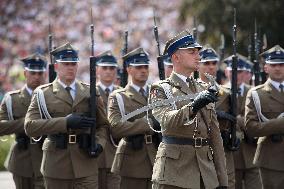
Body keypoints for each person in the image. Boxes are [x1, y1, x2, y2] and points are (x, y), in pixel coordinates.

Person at [150, 30, 228, 189]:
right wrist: (193, 106)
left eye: (198, 52)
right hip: (173, 174)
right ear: (176, 57)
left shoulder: (204, 88)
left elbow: (215, 136)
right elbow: (166, 121)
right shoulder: (160, 89)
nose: (198, 56)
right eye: (192, 52)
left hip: (205, 173)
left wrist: (222, 180)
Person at [24, 42, 108, 189]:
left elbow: (103, 125)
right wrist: (65, 122)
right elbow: (30, 127)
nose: (70, 67)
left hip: (85, 163)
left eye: (73, 64)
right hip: (56, 165)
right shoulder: (43, 93)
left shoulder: (90, 91)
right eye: (66, 64)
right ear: (56, 66)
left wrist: (99, 144)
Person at [108, 47, 159, 189]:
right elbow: (115, 127)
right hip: (131, 160)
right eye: (138, 67)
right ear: (129, 69)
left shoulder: (157, 93)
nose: (143, 70)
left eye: (145, 66)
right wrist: (148, 124)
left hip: (157, 156)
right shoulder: (118, 96)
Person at [0, 53, 47, 189]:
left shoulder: (51, 97)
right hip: (22, 158)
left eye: (40, 73)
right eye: (33, 73)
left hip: (45, 157)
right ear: (25, 73)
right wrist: (28, 124)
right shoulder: (12, 99)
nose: (37, 77)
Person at [245, 45, 284, 189]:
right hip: (271, 160)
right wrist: (279, 124)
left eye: (281, 64)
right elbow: (251, 127)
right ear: (266, 68)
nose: (278, 68)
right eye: (273, 65)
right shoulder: (256, 94)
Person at [198, 46, 236, 189]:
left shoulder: (226, 93)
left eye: (214, 63)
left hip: (223, 150)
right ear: (198, 66)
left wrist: (236, 135)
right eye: (206, 63)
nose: (211, 67)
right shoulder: (190, 92)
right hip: (200, 150)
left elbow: (235, 122)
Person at [223, 54, 262, 189]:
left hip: (252, 154)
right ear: (226, 72)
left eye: (239, 71)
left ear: (245, 73)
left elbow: (258, 120)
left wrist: (239, 120)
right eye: (233, 71)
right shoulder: (220, 93)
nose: (236, 75)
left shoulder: (254, 92)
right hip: (231, 155)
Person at [96, 50, 121, 189]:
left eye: (112, 68)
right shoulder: (88, 93)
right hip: (94, 156)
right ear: (97, 70)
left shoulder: (123, 93)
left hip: (117, 155)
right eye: (104, 67)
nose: (108, 71)